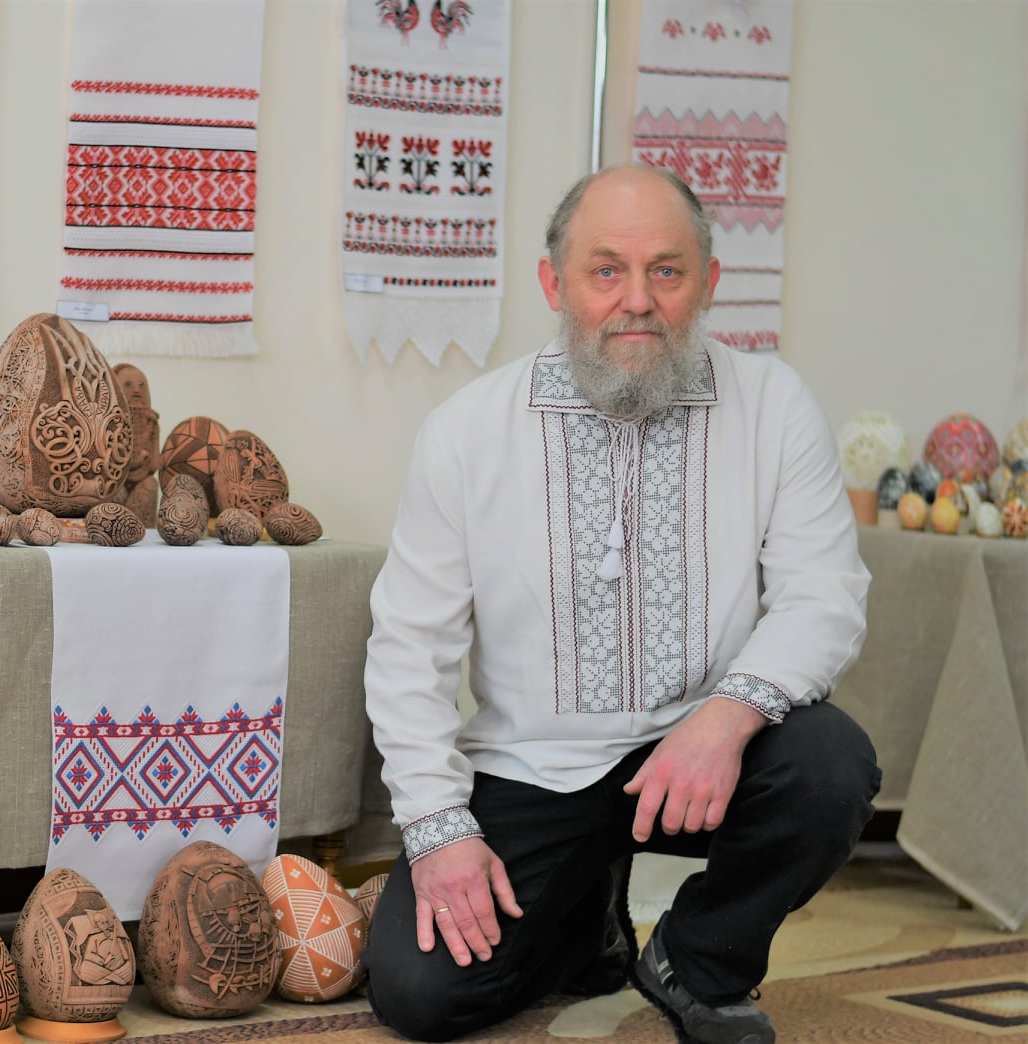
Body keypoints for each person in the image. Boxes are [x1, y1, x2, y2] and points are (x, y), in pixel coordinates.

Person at [360, 165, 881, 1044]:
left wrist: (726, 719)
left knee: (830, 765)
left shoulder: (775, 407)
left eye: (666, 271)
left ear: (708, 282)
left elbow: (825, 596)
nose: (637, 300)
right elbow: (410, 650)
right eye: (606, 270)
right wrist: (439, 832)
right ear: (553, 282)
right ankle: (585, 915)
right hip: (533, 764)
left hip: (704, 754)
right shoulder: (466, 432)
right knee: (422, 996)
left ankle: (699, 960)